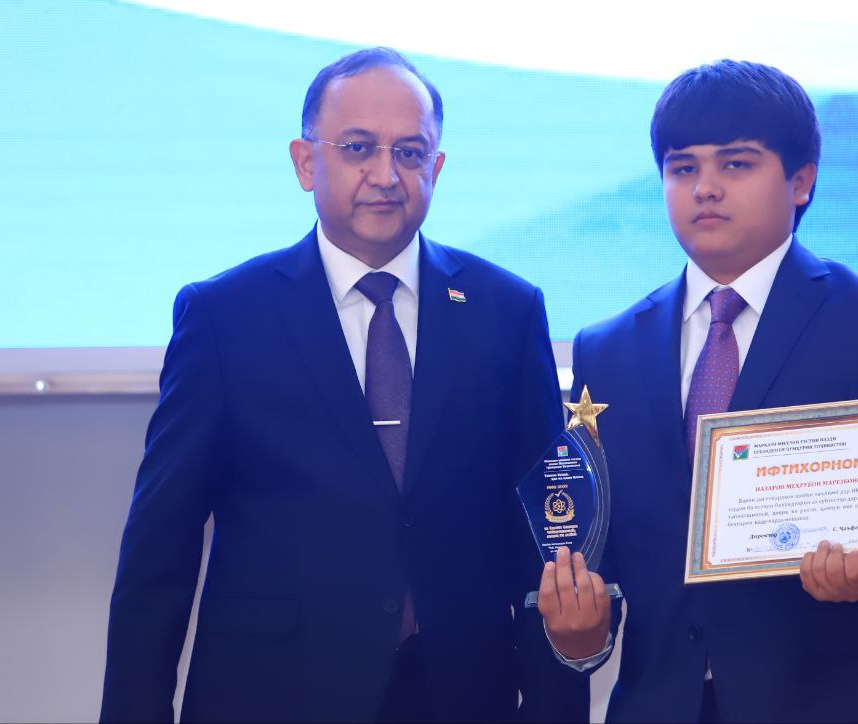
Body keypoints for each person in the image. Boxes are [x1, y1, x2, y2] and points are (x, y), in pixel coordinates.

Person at [100, 48, 587, 723]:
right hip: (273, 695)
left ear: (436, 168)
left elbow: (546, 535)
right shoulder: (225, 316)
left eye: (410, 153)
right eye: (358, 148)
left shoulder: (505, 310)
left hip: (459, 693)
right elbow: (162, 545)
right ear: (305, 162)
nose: (386, 175)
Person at [538, 60, 858, 722]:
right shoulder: (608, 348)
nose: (705, 188)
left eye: (736, 164)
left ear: (801, 181)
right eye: (682, 168)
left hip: (838, 706)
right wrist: (581, 636)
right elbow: (607, 558)